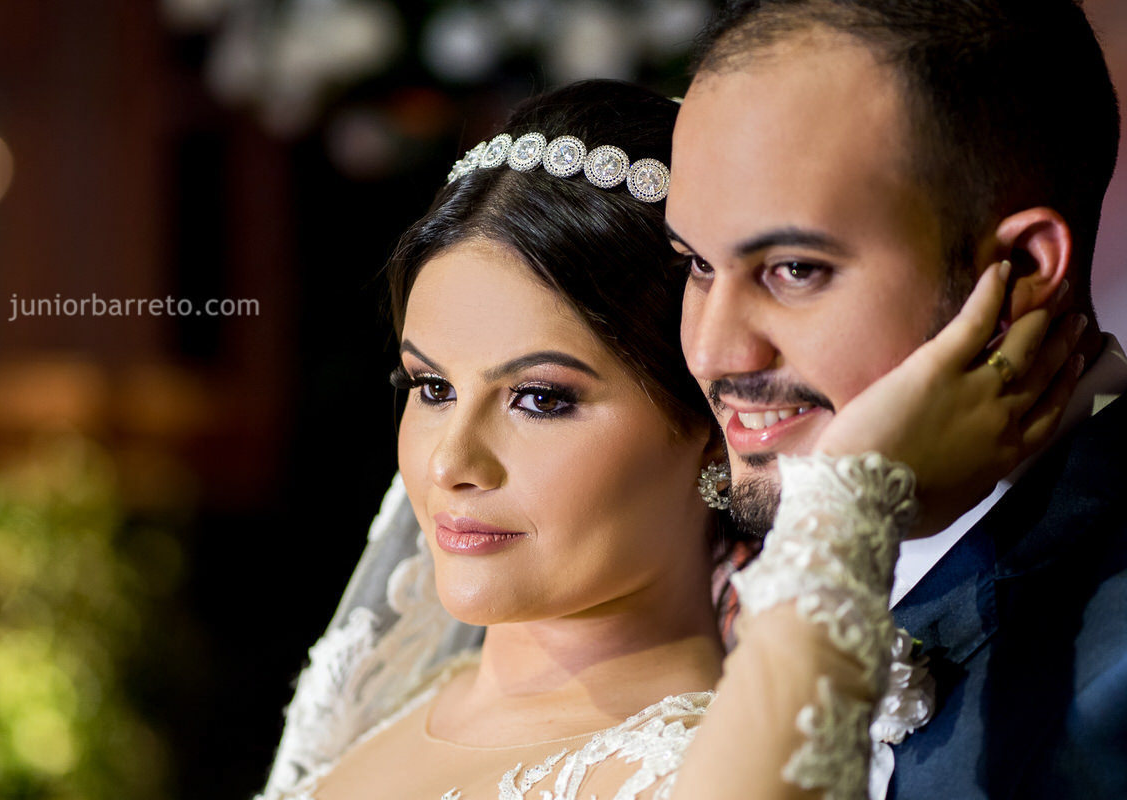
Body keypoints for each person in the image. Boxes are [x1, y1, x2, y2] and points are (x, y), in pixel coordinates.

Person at [256, 80, 1080, 800]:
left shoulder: (707, 768)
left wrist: (858, 492)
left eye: (541, 399)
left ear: (716, 428)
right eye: (432, 388)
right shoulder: (382, 695)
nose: (449, 463)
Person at [667, 1, 1127, 796]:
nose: (713, 353)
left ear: (1021, 269)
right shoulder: (687, 576)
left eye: (795, 270)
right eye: (697, 265)